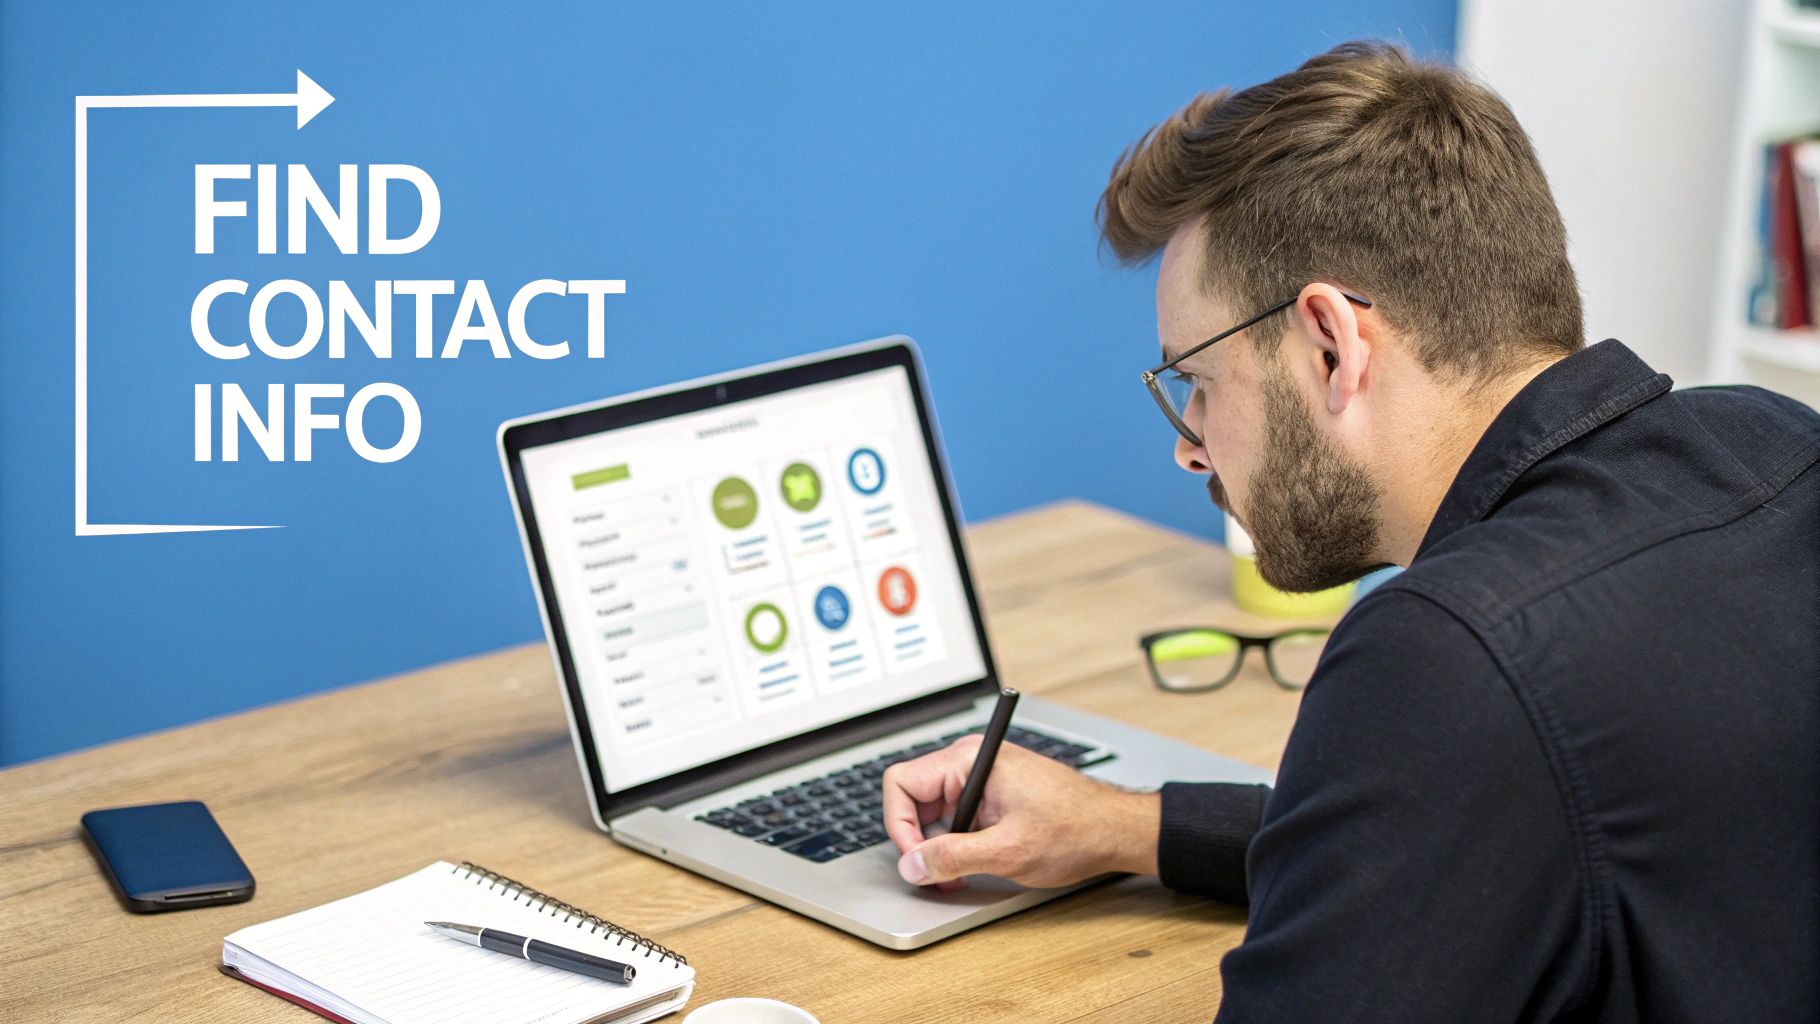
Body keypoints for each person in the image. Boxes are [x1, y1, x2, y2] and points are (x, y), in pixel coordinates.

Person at [883, 40, 1819, 1022]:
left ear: (1329, 341)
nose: (1189, 449)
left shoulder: (1449, 653)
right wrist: (1131, 826)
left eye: (1196, 383)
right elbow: (1468, 834)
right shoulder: (1771, 442)